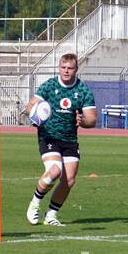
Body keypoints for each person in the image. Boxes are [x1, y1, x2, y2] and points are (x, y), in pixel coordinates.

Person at [24, 53, 97, 227]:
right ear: (59, 68)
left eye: (70, 68)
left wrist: (82, 121)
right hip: (49, 136)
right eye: (63, 67)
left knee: (69, 180)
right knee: (55, 171)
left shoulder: (83, 90)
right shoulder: (49, 85)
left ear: (76, 69)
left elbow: (92, 119)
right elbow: (30, 105)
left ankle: (51, 215)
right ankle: (35, 203)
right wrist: (34, 115)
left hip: (70, 139)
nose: (66, 71)